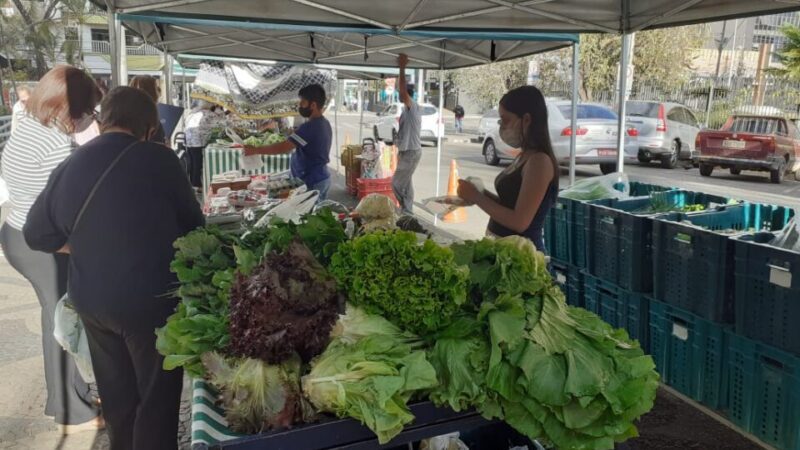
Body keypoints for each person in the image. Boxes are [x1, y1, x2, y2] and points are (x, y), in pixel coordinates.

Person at [24, 86, 205, 450]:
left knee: (117, 394)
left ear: (103, 119)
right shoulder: (161, 160)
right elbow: (195, 230)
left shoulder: (71, 163)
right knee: (156, 397)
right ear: (150, 126)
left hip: (93, 300)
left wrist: (81, 245)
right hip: (150, 300)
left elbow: (35, 233)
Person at [0, 65, 103, 433]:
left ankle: (73, 393)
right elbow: (68, 206)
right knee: (59, 322)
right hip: (42, 244)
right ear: (65, 108)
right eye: (88, 112)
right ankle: (67, 410)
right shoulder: (56, 143)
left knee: (61, 316)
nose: (89, 119)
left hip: (17, 232)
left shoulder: (29, 122)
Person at [456, 85, 559, 253]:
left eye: (505, 120)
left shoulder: (539, 162)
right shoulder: (523, 156)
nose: (501, 126)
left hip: (521, 258)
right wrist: (480, 193)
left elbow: (520, 221)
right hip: (503, 252)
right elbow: (509, 205)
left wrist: (476, 196)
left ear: (526, 120)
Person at [242, 84, 333, 201]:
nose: (299, 105)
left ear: (313, 105)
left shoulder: (310, 127)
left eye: (303, 102)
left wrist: (255, 150)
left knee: (308, 215)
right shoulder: (324, 123)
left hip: (312, 180)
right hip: (320, 177)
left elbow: (283, 147)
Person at [392, 53, 422, 215]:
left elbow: (402, 92)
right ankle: (408, 213)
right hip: (407, 152)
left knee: (397, 184)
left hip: (411, 152)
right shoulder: (407, 110)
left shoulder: (412, 107)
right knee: (406, 184)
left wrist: (402, 68)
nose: (399, 94)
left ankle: (406, 212)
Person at [184, 100, 224, 188]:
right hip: (198, 140)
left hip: (189, 140)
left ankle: (192, 184)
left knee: (193, 162)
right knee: (198, 163)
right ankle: (197, 185)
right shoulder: (208, 114)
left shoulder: (194, 111)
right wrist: (219, 110)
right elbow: (221, 123)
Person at [129, 75, 167, 145]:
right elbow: (158, 147)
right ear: (151, 91)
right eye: (156, 87)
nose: (159, 91)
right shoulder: (151, 119)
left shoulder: (127, 116)